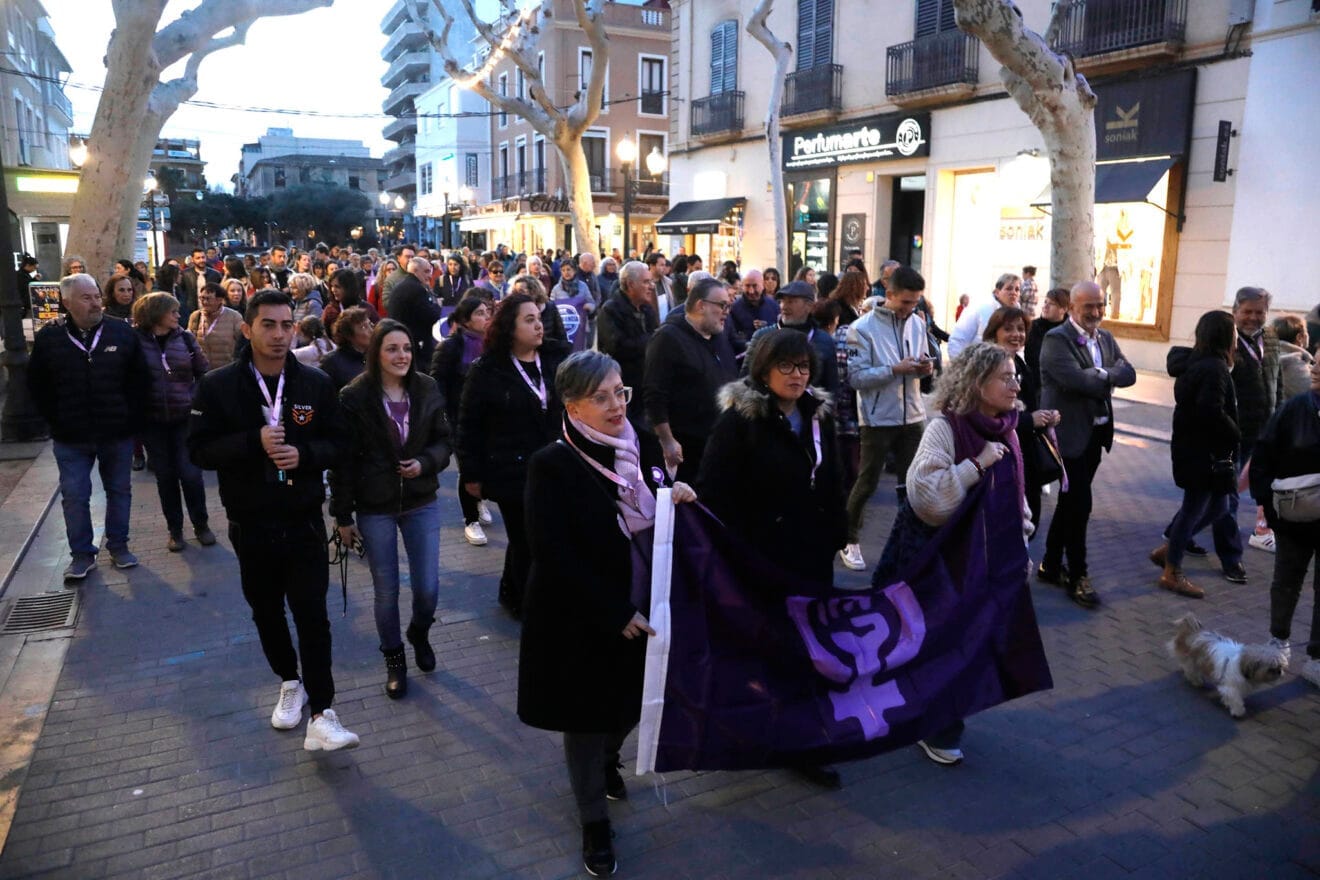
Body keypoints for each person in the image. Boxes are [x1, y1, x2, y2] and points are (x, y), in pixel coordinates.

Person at [521, 351, 694, 878]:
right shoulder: (551, 465)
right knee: (586, 719)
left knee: (633, 703)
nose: (616, 404)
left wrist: (674, 496)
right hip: (581, 614)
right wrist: (610, 611)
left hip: (644, 601)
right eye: (601, 397)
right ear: (572, 406)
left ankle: (607, 759)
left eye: (620, 392)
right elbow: (552, 552)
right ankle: (593, 820)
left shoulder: (636, 442)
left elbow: (654, 497)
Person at [188, 290, 359, 752]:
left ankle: (323, 712)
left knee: (313, 615)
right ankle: (289, 680)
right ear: (248, 329)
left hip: (302, 520)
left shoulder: (315, 384)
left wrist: (302, 455)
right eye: (269, 325)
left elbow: (340, 445)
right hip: (250, 522)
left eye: (287, 325)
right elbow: (198, 450)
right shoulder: (218, 386)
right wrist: (252, 441)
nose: (280, 334)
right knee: (266, 611)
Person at [876, 341, 1034, 765]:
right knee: (938, 644)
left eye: (1015, 376)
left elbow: (1017, 493)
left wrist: (1020, 533)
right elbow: (926, 498)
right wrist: (976, 465)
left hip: (984, 564)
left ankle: (938, 718)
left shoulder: (1007, 427)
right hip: (937, 562)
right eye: (1006, 377)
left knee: (969, 645)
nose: (1015, 385)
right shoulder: (944, 428)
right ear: (978, 382)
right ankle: (933, 723)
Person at [332, 319, 451, 699]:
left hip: (421, 501)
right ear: (376, 354)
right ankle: (395, 660)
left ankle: (419, 632)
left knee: (428, 588)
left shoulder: (427, 388)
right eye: (392, 349)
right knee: (386, 591)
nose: (401, 356)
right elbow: (343, 460)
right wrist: (342, 516)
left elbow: (444, 442)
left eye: (406, 349)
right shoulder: (354, 397)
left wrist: (425, 463)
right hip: (375, 505)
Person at [456, 293, 570, 619]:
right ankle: (526, 602)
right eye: (529, 320)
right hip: (510, 470)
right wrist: (471, 474)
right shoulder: (488, 370)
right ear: (510, 326)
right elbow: (469, 426)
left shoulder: (554, 358)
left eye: (539, 318)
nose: (538, 326)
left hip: (552, 465)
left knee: (538, 535)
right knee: (526, 539)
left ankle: (510, 591)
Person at [29, 273, 148, 580]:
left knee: (119, 490)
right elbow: (38, 386)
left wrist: (131, 419)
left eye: (96, 296)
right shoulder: (50, 338)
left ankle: (119, 546)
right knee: (75, 494)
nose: (95, 302)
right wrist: (54, 420)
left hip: (116, 432)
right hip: (71, 436)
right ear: (67, 303)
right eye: (86, 298)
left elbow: (140, 380)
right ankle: (82, 555)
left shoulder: (121, 333)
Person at [1037, 281, 1136, 609]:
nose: (1095, 312)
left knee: (1070, 502)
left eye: (1099, 305)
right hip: (1067, 436)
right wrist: (1109, 375)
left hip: (1096, 435)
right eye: (1088, 306)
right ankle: (1078, 575)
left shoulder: (1105, 337)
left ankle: (1050, 564)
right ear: (1071, 308)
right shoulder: (1056, 339)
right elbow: (1076, 380)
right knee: (1079, 506)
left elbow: (1130, 374)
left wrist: (1100, 373)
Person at [839, 266, 932, 572]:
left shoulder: (917, 323)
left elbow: (921, 360)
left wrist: (925, 368)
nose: (910, 308)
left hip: (913, 414)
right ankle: (848, 539)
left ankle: (911, 542)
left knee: (913, 484)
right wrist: (895, 369)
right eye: (905, 302)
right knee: (867, 482)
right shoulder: (862, 327)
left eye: (915, 302)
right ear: (889, 295)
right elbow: (855, 378)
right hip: (877, 418)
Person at [1150, 310, 1241, 599]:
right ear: (1225, 336)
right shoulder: (1213, 368)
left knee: (1219, 507)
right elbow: (1210, 411)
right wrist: (1236, 432)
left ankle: (1171, 548)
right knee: (1194, 508)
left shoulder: (1201, 363)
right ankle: (1172, 571)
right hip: (1203, 454)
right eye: (1234, 331)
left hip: (1196, 450)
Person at [1248, 356, 1320, 688]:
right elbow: (1264, 452)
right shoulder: (1295, 408)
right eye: (1315, 363)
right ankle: (1278, 641)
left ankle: (1317, 657)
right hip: (1294, 517)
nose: (1315, 370)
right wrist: (1267, 504)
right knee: (1287, 579)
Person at [132, 292, 214, 552]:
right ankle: (175, 530)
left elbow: (203, 372)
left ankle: (201, 524)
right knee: (165, 477)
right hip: (152, 421)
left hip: (183, 418)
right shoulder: (135, 341)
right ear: (157, 314)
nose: (178, 316)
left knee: (190, 474)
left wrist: (196, 402)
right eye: (173, 312)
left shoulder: (185, 338)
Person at [643, 277, 738, 483]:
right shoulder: (667, 338)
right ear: (701, 305)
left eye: (729, 306)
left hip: (718, 443)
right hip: (686, 449)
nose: (726, 311)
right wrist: (667, 441)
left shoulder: (719, 337)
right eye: (722, 305)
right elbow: (654, 395)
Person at [983, 306, 1060, 533]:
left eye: (1021, 328)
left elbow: (1030, 404)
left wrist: (1046, 417)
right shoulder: (989, 364)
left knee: (1029, 518)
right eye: (1008, 329)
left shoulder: (1020, 363)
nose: (1016, 334)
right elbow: (988, 412)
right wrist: (1029, 420)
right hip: (1001, 454)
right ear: (994, 332)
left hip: (1024, 452)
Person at [430, 296, 495, 545]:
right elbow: (437, 383)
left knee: (484, 462)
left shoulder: (491, 344)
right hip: (459, 418)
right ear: (466, 319)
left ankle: (479, 501)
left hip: (488, 416)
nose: (486, 317)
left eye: (487, 312)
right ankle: (471, 520)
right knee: (468, 466)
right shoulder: (450, 347)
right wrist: (444, 417)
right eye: (480, 313)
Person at [746, 281, 839, 394]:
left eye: (791, 301)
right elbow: (746, 379)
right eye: (782, 301)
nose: (784, 306)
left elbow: (832, 387)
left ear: (809, 306)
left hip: (810, 409)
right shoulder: (762, 336)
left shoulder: (823, 339)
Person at [597, 261, 659, 422]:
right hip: (624, 389)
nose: (651, 286)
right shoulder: (610, 310)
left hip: (648, 386)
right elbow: (615, 347)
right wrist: (651, 341)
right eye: (646, 282)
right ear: (630, 284)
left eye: (651, 281)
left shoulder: (647, 309)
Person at [947, 273, 1022, 358]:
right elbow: (958, 340)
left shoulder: (1019, 315)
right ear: (997, 292)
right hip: (977, 365)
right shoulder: (980, 308)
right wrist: (961, 368)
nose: (1013, 293)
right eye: (1009, 288)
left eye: (1017, 289)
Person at [389, 257, 443, 367]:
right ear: (415, 271)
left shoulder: (403, 285)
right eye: (426, 271)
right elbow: (431, 316)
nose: (430, 276)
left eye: (431, 271)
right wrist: (437, 305)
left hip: (402, 338)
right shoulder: (417, 289)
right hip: (414, 343)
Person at [188, 282, 245, 371]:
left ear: (219, 300)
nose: (204, 302)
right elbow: (189, 341)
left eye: (208, 299)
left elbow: (243, 344)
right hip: (202, 371)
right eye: (202, 298)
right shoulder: (196, 316)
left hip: (226, 370)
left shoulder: (234, 317)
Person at [1025, 287, 1069, 389]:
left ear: (1064, 309)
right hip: (1037, 382)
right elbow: (1031, 357)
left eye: (1051, 304)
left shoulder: (1070, 329)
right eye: (1045, 302)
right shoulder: (1034, 326)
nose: (1045, 306)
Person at [319, 307, 373, 392]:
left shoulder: (376, 357)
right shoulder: (331, 362)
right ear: (349, 335)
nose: (371, 330)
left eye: (370, 324)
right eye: (363, 327)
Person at [727, 269, 779, 355]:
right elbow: (730, 337)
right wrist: (747, 344)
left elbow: (780, 331)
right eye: (747, 286)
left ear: (763, 285)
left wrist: (768, 326)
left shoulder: (774, 306)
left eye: (755, 286)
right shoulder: (734, 308)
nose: (751, 291)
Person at [510, 273, 566, 344]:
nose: (518, 295)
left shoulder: (550, 307)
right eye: (515, 292)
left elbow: (561, 335)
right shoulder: (514, 310)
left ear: (533, 291)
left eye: (521, 291)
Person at [321, 268, 379, 335]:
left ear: (348, 288)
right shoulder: (330, 310)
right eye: (331, 286)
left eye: (337, 286)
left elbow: (378, 333)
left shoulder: (366, 308)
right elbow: (325, 336)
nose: (333, 290)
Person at [1275, 315, 1314, 400]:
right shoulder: (1294, 363)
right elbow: (1312, 394)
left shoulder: (1271, 357)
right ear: (1299, 337)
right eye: (1306, 332)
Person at [178, 248, 222, 320]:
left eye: (203, 257)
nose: (201, 260)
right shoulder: (185, 274)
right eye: (198, 258)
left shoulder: (215, 274)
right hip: (191, 311)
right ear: (192, 259)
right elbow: (181, 292)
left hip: (212, 311)